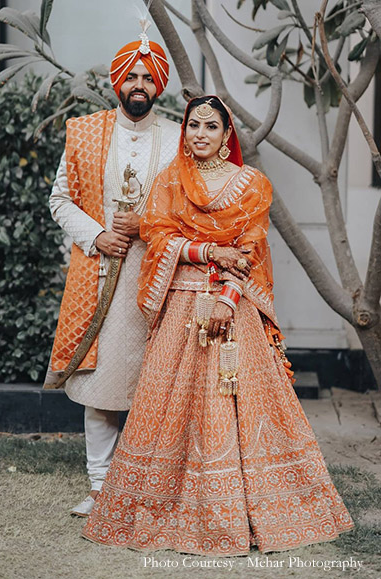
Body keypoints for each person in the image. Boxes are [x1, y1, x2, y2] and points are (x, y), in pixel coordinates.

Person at [82, 96, 354, 555]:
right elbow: (157, 236)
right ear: (185, 131)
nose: (200, 134)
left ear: (227, 135)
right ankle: (170, 507)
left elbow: (249, 248)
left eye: (211, 126)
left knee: (236, 403)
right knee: (171, 403)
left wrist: (227, 300)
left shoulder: (252, 184)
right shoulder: (170, 181)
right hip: (181, 305)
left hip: (233, 306)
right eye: (193, 126)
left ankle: (249, 509)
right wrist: (208, 251)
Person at [43, 30, 180, 517]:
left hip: (163, 275)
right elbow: (59, 199)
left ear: (158, 86)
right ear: (118, 82)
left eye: (148, 77)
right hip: (101, 271)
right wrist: (98, 234)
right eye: (132, 76)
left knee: (157, 383)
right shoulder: (85, 131)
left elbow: (192, 206)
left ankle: (149, 485)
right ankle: (101, 487)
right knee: (102, 381)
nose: (139, 84)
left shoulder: (178, 138)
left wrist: (145, 224)